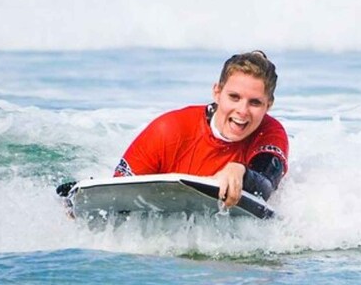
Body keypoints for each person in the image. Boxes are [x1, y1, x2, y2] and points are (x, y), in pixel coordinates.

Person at [113, 50, 289, 208]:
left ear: (269, 105)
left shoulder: (270, 133)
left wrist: (241, 172)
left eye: (255, 102)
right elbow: (113, 196)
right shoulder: (170, 130)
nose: (242, 111)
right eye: (234, 97)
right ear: (217, 92)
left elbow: (266, 185)